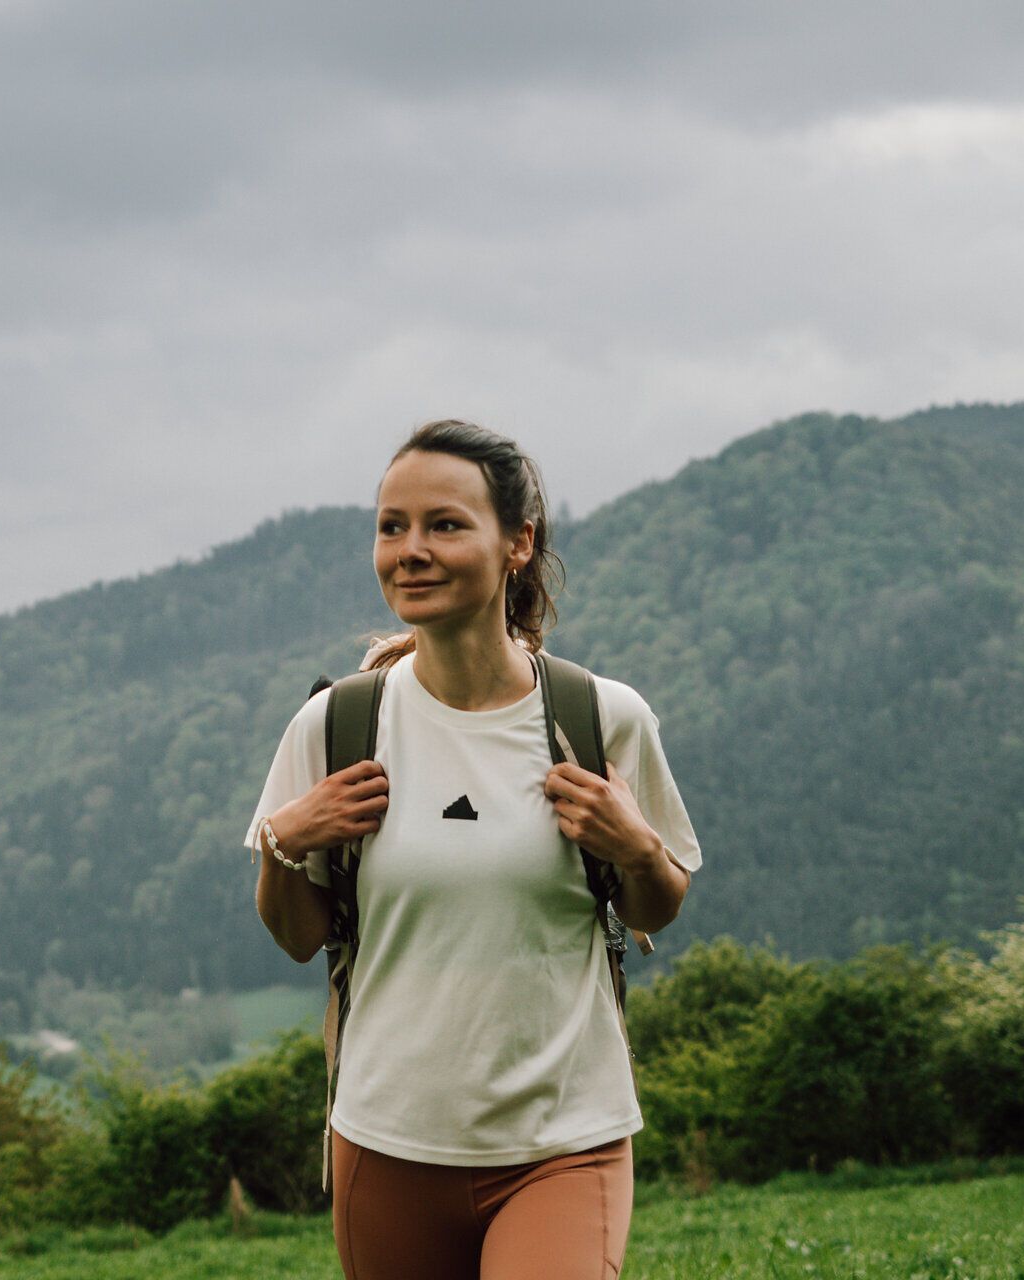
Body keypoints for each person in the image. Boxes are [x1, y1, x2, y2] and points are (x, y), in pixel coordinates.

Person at [245, 419, 701, 1280]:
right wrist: (280, 844)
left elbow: (656, 904)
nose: (410, 551)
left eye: (444, 525)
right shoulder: (339, 725)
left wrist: (637, 849)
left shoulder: (601, 718)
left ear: (517, 543)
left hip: (565, 1142)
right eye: (392, 527)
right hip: (386, 1142)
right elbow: (301, 935)